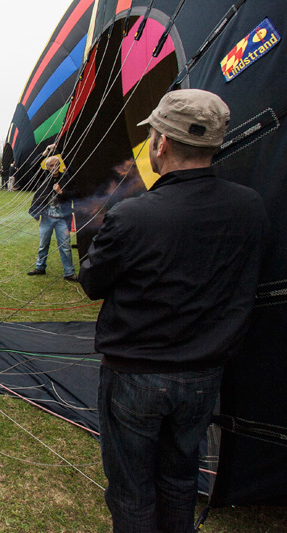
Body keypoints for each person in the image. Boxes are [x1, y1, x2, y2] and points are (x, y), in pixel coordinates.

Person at [78, 89, 268, 532]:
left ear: (161, 142)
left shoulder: (132, 216)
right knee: (180, 479)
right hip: (204, 375)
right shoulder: (251, 208)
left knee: (132, 489)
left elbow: (91, 283)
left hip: (135, 376)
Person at [27, 150, 77, 280]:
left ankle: (69, 273)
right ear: (47, 167)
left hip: (62, 219)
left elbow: (74, 194)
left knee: (65, 247)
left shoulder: (66, 177)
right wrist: (45, 152)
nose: (54, 168)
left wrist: (61, 192)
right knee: (43, 244)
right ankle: (40, 267)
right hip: (47, 218)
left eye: (57, 165)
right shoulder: (43, 177)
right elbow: (32, 167)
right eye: (51, 166)